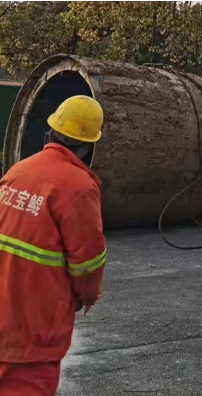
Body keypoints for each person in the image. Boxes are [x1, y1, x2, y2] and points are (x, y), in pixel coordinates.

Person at [0, 95, 107, 395]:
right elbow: (88, 262)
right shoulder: (79, 187)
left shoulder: (17, 171)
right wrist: (87, 296)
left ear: (50, 133)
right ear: (88, 147)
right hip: (35, 327)